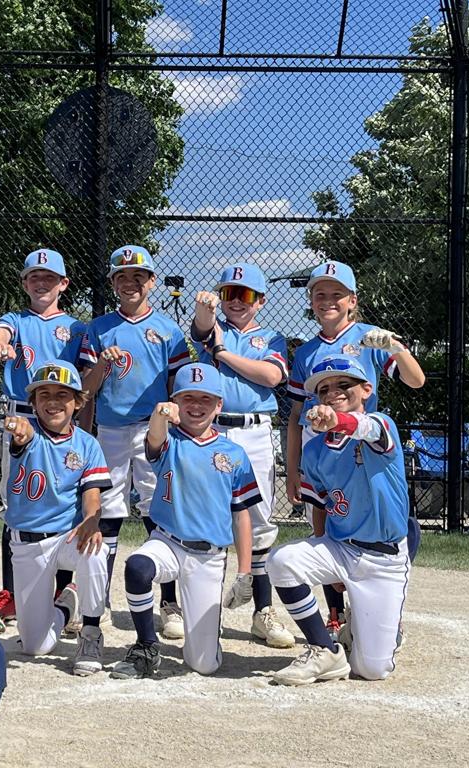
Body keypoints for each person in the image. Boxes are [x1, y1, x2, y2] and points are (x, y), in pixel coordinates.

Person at [284, 261, 424, 636]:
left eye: (337, 294)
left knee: (373, 522)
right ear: (311, 300)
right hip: (319, 448)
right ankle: (336, 615)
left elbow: (416, 380)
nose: (328, 300)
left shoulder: (368, 337)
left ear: (352, 300)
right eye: (320, 294)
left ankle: (379, 607)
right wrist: (293, 469)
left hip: (364, 445)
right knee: (326, 528)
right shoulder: (306, 352)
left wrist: (396, 346)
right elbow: (296, 415)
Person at [110, 362, 260, 679]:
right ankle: (146, 646)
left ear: (219, 405)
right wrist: (159, 414)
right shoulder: (170, 441)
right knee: (137, 567)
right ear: (175, 401)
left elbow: (241, 515)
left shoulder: (234, 453)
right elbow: (154, 438)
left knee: (204, 664)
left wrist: (245, 573)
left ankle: (204, 637)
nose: (196, 405)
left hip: (208, 556)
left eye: (206, 398)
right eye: (187, 397)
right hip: (168, 541)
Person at [267, 355, 410, 685]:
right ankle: (325, 649)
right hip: (341, 548)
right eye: (324, 389)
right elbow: (321, 505)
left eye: (344, 385)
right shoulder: (315, 449)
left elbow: (365, 428)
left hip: (384, 559)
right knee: (282, 561)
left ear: (366, 389)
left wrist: (338, 421)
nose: (333, 393)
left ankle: (372, 624)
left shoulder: (381, 425)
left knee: (372, 670)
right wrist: (327, 566)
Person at [79, 245, 191, 636]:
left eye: (138, 277)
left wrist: (176, 427)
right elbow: (86, 390)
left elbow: (178, 385)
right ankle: (99, 598)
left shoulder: (168, 329)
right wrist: (102, 364)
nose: (130, 283)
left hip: (152, 427)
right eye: (122, 277)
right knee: (107, 511)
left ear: (152, 282)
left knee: (157, 509)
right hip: (110, 429)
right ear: (113, 282)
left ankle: (169, 601)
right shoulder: (99, 328)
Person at [190, 264, 295, 650]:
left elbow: (271, 377)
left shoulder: (272, 337)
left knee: (260, 519)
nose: (236, 301)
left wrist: (223, 353)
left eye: (245, 294)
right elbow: (202, 326)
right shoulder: (213, 328)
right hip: (214, 431)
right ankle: (206, 612)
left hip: (255, 431)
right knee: (209, 517)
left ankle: (262, 612)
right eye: (229, 293)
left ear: (260, 300)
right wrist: (205, 309)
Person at [0, 249, 87, 629]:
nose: (41, 283)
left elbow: (86, 377)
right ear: (24, 283)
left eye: (49, 277)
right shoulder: (15, 320)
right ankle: (11, 593)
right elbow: (1, 333)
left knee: (63, 499)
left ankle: (63, 591)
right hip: (21, 415)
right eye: (34, 276)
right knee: (15, 501)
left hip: (62, 418)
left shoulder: (76, 328)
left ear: (63, 284)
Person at [2, 361, 112, 676]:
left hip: (65, 537)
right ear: (33, 403)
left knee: (96, 550)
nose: (53, 402)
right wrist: (18, 429)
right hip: (27, 544)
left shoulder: (87, 444)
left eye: (62, 394)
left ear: (78, 402)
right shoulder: (28, 431)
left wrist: (91, 520)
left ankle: (90, 633)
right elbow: (22, 436)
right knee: (35, 646)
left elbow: (92, 495)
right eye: (44, 395)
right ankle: (65, 606)